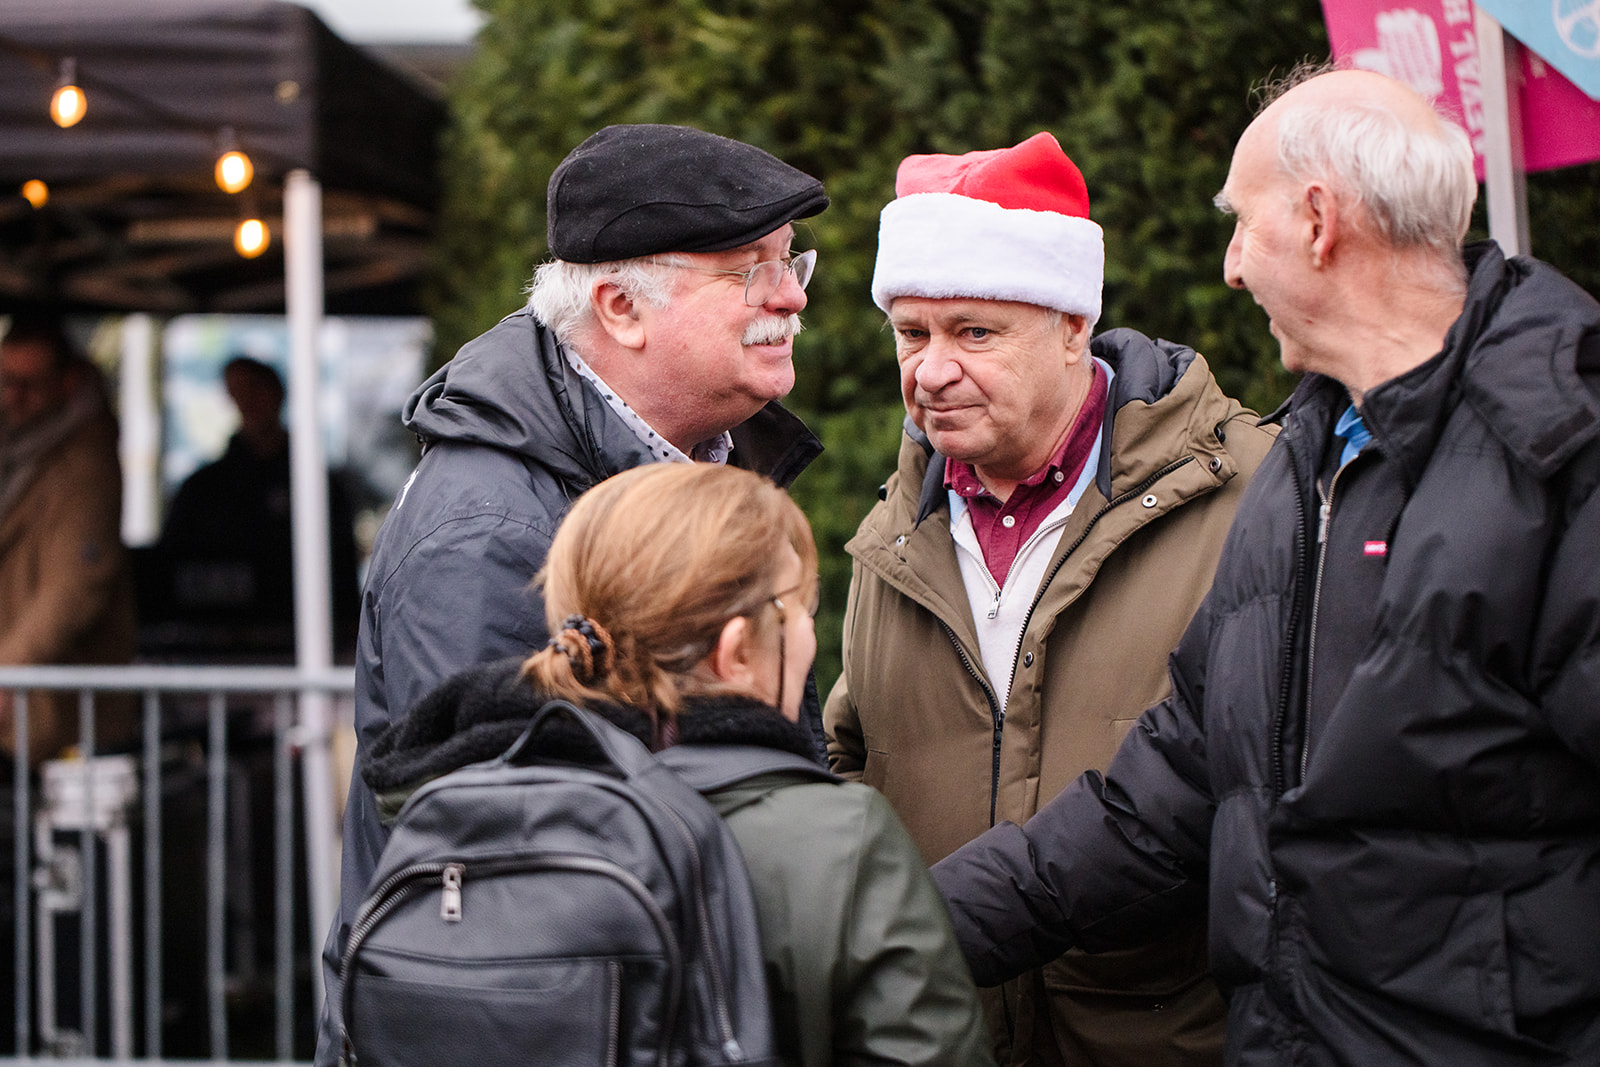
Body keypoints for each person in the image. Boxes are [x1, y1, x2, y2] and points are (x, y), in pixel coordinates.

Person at [930, 66, 1600, 1065]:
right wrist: (899, 933)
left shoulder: (1564, 452)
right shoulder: (1300, 464)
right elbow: (1167, 794)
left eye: (1242, 224)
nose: (1232, 268)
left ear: (1320, 222)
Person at [318, 124, 828, 1062]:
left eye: (790, 260)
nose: (791, 295)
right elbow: (502, 879)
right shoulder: (489, 530)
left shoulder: (684, 462)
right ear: (620, 307)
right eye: (749, 270)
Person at [823, 133, 1275, 1064]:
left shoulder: (1248, 497)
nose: (931, 370)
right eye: (911, 333)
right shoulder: (894, 529)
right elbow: (853, 756)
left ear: (1073, 325)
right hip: (938, 1038)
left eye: (974, 332)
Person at [358, 462, 994, 1067]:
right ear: (736, 653)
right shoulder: (839, 841)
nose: (807, 632)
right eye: (800, 609)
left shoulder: (443, 815)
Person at [155, 356, 359, 659]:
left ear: (278, 394)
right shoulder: (203, 488)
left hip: (303, 645)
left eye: (256, 389)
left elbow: (341, 567)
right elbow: (173, 569)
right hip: (216, 649)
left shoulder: (316, 483)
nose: (248, 401)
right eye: (238, 392)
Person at [0, 313, 136, 764]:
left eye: (29, 384)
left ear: (69, 381)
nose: (13, 396)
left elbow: (75, 587)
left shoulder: (86, 465)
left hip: (56, 722)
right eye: (6, 381)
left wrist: (8, 670)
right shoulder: (19, 449)